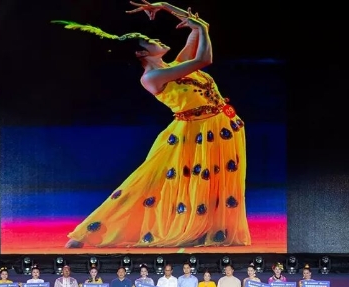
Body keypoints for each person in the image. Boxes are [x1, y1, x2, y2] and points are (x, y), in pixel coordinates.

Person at [56, 1, 250, 249]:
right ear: (141, 54)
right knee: (148, 182)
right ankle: (88, 233)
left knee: (212, 185)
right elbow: (204, 58)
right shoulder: (152, 77)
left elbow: (200, 27)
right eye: (149, 41)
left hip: (221, 129)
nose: (156, 39)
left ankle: (207, 229)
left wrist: (166, 6)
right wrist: (201, 29)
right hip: (193, 134)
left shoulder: (174, 66)